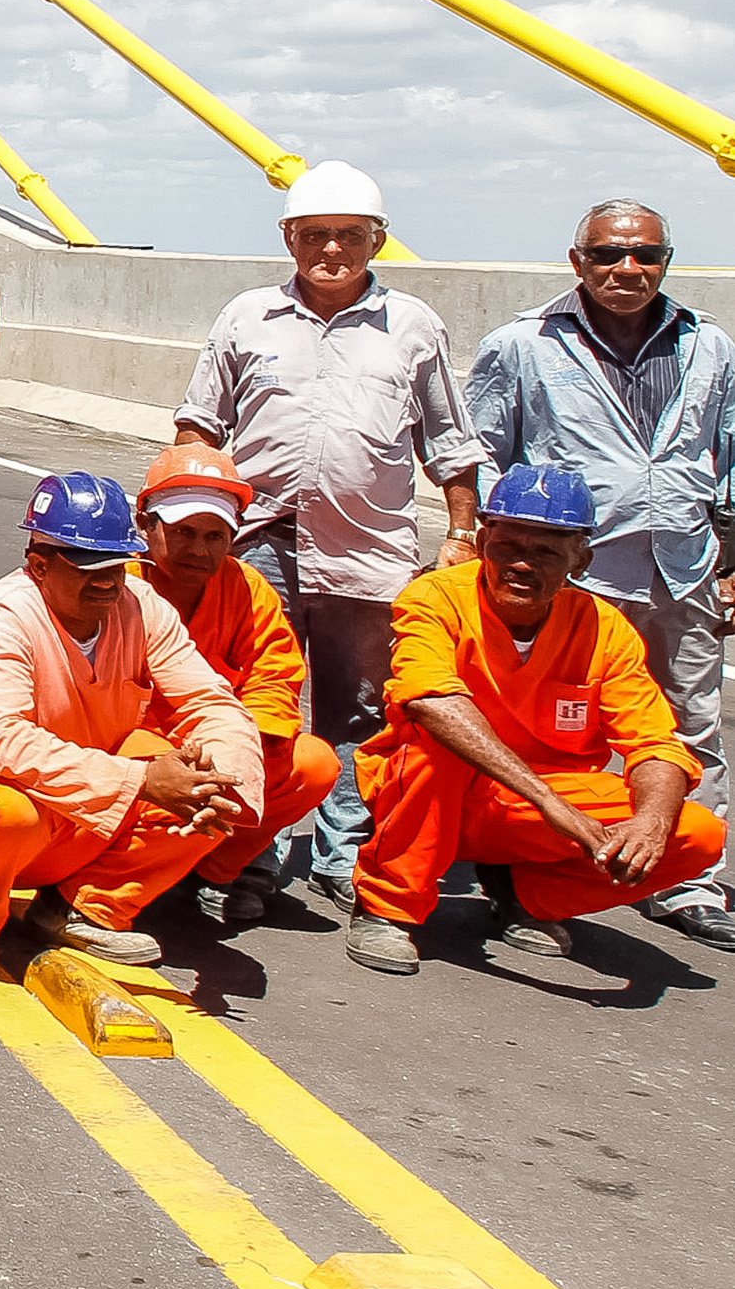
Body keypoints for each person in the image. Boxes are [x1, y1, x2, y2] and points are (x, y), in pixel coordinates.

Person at [175, 160, 484, 912]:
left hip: (366, 545)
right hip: (257, 543)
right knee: (253, 695)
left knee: (360, 705)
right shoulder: (247, 317)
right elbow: (198, 425)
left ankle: (344, 850)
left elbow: (450, 440)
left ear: (377, 240)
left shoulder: (412, 325)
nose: (333, 251)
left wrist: (463, 530)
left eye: (350, 236)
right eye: (316, 235)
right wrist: (186, 517)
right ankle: (254, 844)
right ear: (289, 237)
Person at [464, 201, 735, 951]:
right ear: (577, 260)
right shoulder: (523, 344)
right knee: (555, 730)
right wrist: (488, 550)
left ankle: (684, 882)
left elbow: (732, 458)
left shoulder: (708, 344)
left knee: (689, 721)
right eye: (610, 255)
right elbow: (485, 456)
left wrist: (733, 564)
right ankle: (525, 867)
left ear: (666, 261)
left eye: (646, 255)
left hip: (681, 565)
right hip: (572, 573)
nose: (629, 269)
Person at [346, 466, 728, 975]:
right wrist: (550, 804)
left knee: (695, 833)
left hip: (532, 815)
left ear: (581, 559)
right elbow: (430, 701)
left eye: (546, 552)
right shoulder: (435, 598)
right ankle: (388, 906)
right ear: (483, 542)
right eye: (507, 547)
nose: (522, 564)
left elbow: (655, 743)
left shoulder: (603, 628)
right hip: (440, 797)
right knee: (437, 747)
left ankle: (526, 895)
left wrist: (650, 824)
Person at [0, 473, 264, 979]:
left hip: (83, 802)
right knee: (5, 809)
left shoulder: (143, 607)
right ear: (39, 565)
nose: (106, 581)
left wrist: (225, 784)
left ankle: (78, 908)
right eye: (87, 567)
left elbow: (210, 700)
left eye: (117, 566)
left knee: (204, 777)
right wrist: (142, 782)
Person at [129, 444, 339, 931]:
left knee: (312, 763)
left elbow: (275, 678)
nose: (199, 550)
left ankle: (215, 869)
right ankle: (116, 880)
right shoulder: (113, 582)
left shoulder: (248, 589)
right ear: (146, 525)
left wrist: (238, 752)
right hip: (134, 745)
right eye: (183, 533)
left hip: (221, 746)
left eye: (213, 536)